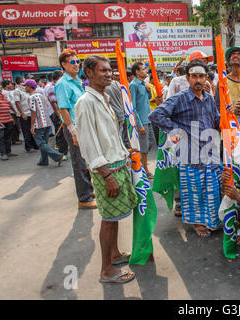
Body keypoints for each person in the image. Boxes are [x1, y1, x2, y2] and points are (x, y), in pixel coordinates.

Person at [75, 55, 137, 284]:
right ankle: (106, 270)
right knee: (109, 220)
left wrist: (124, 151)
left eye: (110, 70)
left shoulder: (104, 96)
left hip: (117, 164)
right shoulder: (85, 102)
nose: (108, 74)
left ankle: (114, 254)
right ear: (89, 73)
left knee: (115, 217)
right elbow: (88, 143)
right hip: (106, 170)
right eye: (103, 70)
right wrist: (107, 175)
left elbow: (110, 134)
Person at [148, 60, 222, 237]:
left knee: (211, 188)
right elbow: (155, 114)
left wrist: (231, 115)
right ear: (187, 78)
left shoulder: (209, 98)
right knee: (194, 190)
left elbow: (217, 119)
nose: (198, 80)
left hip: (210, 150)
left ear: (206, 78)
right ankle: (197, 222)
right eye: (194, 76)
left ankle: (211, 220)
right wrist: (177, 133)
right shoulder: (180, 98)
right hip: (189, 152)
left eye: (201, 76)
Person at [55, 48, 96, 209]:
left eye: (77, 61)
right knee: (79, 163)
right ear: (64, 65)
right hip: (74, 127)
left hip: (84, 125)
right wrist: (73, 132)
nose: (76, 65)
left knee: (87, 160)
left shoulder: (78, 81)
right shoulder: (63, 84)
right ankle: (84, 198)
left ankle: (88, 190)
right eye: (72, 62)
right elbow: (64, 109)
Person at [24, 79, 63, 167]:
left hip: (39, 123)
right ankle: (44, 160)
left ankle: (57, 156)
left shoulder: (31, 98)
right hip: (47, 122)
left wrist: (32, 126)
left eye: (26, 86)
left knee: (40, 143)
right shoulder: (41, 96)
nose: (25, 88)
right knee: (44, 143)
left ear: (29, 87)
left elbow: (33, 111)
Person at [129, 61, 154, 179]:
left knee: (149, 145)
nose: (146, 71)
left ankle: (141, 164)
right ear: (137, 72)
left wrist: (148, 91)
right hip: (141, 122)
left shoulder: (144, 84)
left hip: (148, 119)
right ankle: (144, 169)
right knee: (143, 147)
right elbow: (132, 107)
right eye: (143, 69)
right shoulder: (133, 85)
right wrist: (139, 124)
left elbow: (147, 99)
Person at [44, 70, 67, 160]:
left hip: (61, 112)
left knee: (63, 133)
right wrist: (59, 115)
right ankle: (61, 153)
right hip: (57, 113)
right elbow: (54, 103)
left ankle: (62, 152)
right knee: (61, 134)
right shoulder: (52, 87)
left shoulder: (58, 86)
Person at [105, 69, 130, 149]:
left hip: (116, 114)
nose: (117, 77)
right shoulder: (118, 85)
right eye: (116, 75)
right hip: (119, 114)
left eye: (118, 76)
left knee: (118, 135)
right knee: (120, 134)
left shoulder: (111, 85)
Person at [14, 76, 38, 153]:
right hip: (24, 114)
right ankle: (28, 147)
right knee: (26, 131)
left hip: (30, 113)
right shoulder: (17, 91)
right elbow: (17, 103)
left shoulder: (27, 91)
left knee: (32, 130)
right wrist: (22, 113)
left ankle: (34, 145)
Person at [0, 81, 18, 160]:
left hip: (8, 119)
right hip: (0, 121)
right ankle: (3, 153)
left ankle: (8, 151)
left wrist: (11, 117)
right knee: (0, 138)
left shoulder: (3, 95)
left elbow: (7, 107)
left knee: (8, 137)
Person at [1, 80, 22, 145]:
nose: (11, 85)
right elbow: (9, 103)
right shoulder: (5, 92)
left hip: (14, 111)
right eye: (10, 84)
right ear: (6, 85)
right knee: (14, 126)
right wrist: (15, 111)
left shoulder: (8, 92)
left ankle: (16, 139)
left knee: (16, 126)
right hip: (11, 112)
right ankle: (14, 140)